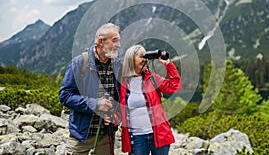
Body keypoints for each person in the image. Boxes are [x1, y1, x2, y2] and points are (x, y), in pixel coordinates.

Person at [59, 23, 122, 155]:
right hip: (81, 135)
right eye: (114, 40)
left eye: (119, 41)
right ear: (100, 41)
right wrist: (96, 104)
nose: (119, 45)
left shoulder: (117, 64)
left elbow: (122, 97)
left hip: (106, 136)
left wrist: (116, 114)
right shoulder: (79, 63)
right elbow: (65, 95)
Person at [120, 45, 182, 155]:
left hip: (158, 134)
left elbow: (175, 86)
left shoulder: (152, 78)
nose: (145, 59)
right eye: (141, 56)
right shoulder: (123, 83)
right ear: (131, 60)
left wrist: (168, 64)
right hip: (137, 136)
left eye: (146, 56)